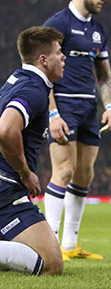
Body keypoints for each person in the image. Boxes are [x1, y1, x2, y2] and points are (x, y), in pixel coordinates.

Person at [42, 0, 111, 261]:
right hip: (64, 105)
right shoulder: (57, 24)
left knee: (85, 174)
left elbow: (105, 75)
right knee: (64, 171)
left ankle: (70, 244)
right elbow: (41, 71)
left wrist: (109, 106)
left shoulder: (99, 30)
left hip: (89, 108)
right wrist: (51, 113)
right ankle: (47, 244)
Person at [0, 26, 66, 275]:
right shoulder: (34, 90)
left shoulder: (16, 79)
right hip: (6, 190)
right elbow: (6, 130)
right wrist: (25, 173)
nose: (64, 57)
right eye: (59, 52)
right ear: (43, 59)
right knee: (51, 264)